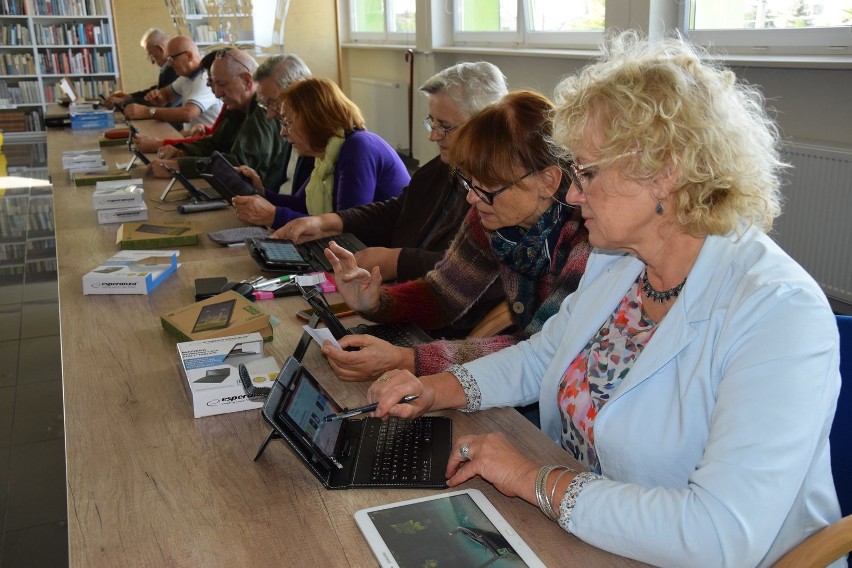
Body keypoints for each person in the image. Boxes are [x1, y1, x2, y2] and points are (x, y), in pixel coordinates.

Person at [367, 31, 843, 567]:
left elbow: (719, 535)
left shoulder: (778, 312)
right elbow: (545, 353)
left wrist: (532, 479)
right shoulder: (620, 260)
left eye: (588, 172)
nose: (572, 193)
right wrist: (439, 389)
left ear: (665, 172)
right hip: (588, 532)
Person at [321, 90, 590, 383]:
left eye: (489, 187)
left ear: (548, 181)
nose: (473, 198)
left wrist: (409, 359)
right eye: (469, 181)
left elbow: (535, 351)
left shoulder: (586, 242)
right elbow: (443, 296)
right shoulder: (491, 214)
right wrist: (375, 301)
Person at [273, 62, 508, 290]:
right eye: (431, 122)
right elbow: (397, 211)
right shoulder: (440, 168)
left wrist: (395, 261)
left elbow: (477, 270)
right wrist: (326, 222)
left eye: (444, 126)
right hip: (406, 293)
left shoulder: (500, 191)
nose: (433, 136)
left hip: (434, 309)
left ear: (482, 124)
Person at [232, 78, 410, 230]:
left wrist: (274, 217)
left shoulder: (357, 147)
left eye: (287, 122)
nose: (283, 133)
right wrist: (262, 193)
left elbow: (349, 226)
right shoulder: (329, 153)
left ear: (313, 119)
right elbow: (301, 203)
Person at [147, 48, 287, 190]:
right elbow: (216, 144)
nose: (217, 93)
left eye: (222, 84)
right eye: (213, 84)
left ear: (246, 80)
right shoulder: (237, 108)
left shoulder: (264, 112)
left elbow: (237, 165)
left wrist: (179, 166)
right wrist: (182, 151)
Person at [122, 36, 222, 130]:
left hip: (208, 141)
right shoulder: (186, 77)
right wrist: (158, 96)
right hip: (192, 136)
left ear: (189, 56)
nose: (169, 63)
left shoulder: (205, 79)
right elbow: (166, 94)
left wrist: (147, 112)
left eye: (171, 59)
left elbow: (187, 114)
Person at [253, 53, 314, 191]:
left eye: (274, 103)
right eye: (264, 104)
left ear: (300, 91)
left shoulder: (319, 140)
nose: (269, 114)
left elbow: (306, 207)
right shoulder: (289, 131)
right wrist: (260, 190)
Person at [104, 28, 179, 111]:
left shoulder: (174, 69)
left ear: (161, 50)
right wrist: (131, 96)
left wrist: (124, 102)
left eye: (151, 55)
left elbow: (158, 100)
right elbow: (156, 91)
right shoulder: (169, 68)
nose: (152, 62)